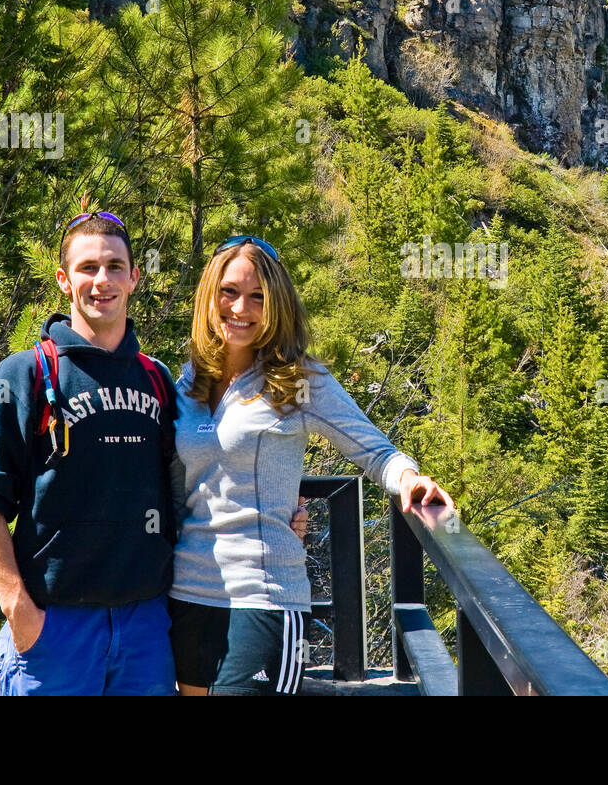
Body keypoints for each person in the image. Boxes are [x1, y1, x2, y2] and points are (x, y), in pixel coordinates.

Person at [168, 235, 454, 696]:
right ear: (209, 296)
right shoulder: (185, 381)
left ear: (277, 304)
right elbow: (178, 485)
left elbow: (374, 450)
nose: (241, 307)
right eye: (230, 292)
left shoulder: (299, 379)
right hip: (185, 594)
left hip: (264, 598)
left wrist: (409, 479)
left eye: (258, 296)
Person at [0, 211, 179, 695]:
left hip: (145, 627)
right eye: (88, 268)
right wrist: (18, 607)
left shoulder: (157, 378)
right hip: (54, 628)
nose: (103, 280)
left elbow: (198, 477)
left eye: (116, 266)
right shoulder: (25, 375)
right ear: (63, 279)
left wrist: (279, 511)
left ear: (135, 278)